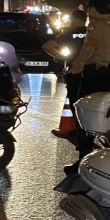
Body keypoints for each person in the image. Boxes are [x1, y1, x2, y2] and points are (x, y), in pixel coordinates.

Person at [65, 0, 110, 175]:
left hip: (95, 75)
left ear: (93, 9)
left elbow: (89, 47)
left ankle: (83, 158)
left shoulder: (95, 25)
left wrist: (77, 64)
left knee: (85, 114)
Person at [42, 9, 87, 138]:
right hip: (93, 71)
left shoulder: (69, 33)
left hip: (75, 70)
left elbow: (47, 46)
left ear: (73, 19)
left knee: (74, 100)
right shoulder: (92, 32)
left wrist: (64, 58)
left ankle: (77, 130)